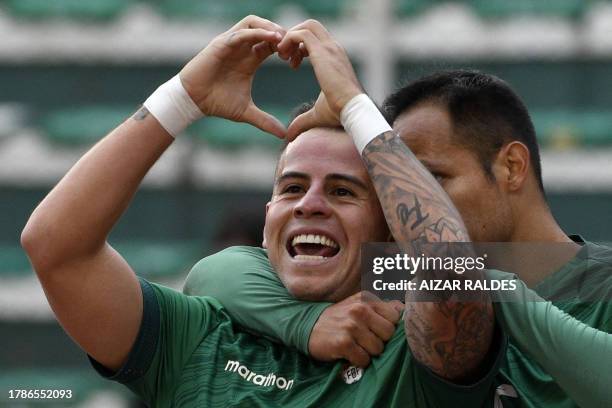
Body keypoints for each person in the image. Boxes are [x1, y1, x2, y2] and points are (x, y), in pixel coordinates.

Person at [21, 16, 504, 407]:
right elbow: (55, 248)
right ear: (270, 211)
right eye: (292, 188)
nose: (309, 205)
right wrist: (182, 99)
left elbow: (450, 269)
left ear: (389, 228)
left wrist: (355, 106)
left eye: (342, 192)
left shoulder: (415, 349)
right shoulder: (200, 335)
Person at [186, 64, 612, 406]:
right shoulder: (398, 271)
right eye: (395, 189)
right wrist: (308, 323)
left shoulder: (603, 282)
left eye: (430, 180)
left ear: (512, 167)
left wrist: (489, 286)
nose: (413, 210)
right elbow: (219, 272)